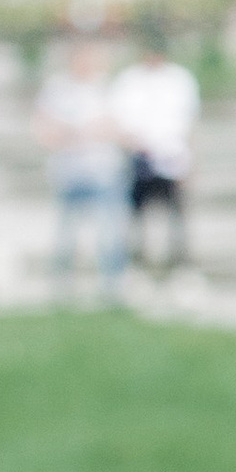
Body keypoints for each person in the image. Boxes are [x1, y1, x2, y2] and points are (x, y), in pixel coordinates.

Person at [33, 35, 128, 299]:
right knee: (66, 235)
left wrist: (82, 131)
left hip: (103, 172)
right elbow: (43, 128)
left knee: (110, 234)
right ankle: (61, 290)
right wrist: (73, 133)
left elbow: (119, 128)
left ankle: (113, 290)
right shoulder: (56, 89)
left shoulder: (108, 88)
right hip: (68, 173)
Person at [110, 29, 202, 284]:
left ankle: (181, 267)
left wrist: (192, 162)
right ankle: (137, 266)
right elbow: (118, 122)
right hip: (140, 159)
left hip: (173, 159)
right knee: (136, 217)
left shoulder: (179, 80)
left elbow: (190, 123)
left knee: (177, 217)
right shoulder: (129, 81)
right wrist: (134, 145)